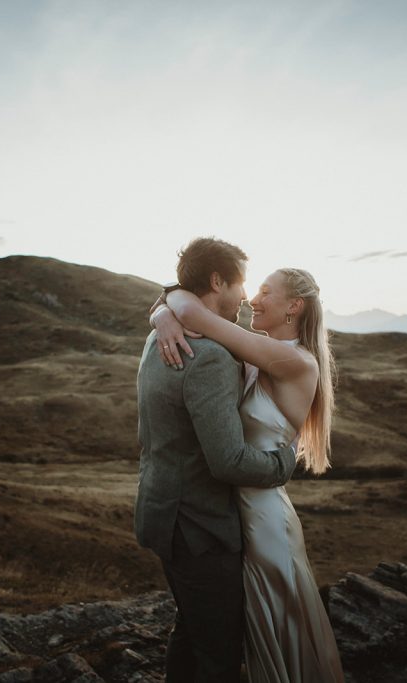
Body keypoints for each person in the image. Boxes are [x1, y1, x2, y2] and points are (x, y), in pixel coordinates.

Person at [151, 265, 346, 683]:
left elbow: (196, 313)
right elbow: (185, 307)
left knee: (276, 629)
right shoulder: (261, 350)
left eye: (264, 292)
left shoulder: (292, 359)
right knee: (227, 628)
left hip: (263, 519)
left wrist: (168, 309)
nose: (252, 301)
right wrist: (162, 314)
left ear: (294, 306)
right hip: (233, 513)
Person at [134, 237, 299, 683]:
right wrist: (284, 463)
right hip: (198, 528)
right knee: (220, 651)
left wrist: (164, 306)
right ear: (216, 281)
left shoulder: (159, 335)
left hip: (163, 513)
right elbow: (227, 461)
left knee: (192, 627)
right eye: (240, 284)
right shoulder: (207, 357)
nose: (245, 297)